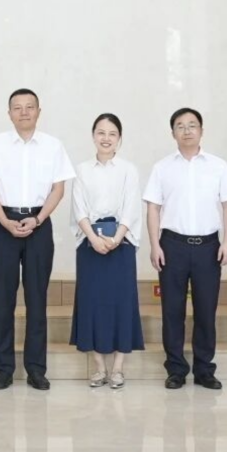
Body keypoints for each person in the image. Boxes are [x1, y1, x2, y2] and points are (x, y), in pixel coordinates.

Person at [0, 89, 75, 391]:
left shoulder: (53, 146)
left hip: (38, 224)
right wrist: (4, 220)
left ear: (38, 111)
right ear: (9, 113)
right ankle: (3, 369)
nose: (23, 112)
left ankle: (36, 369)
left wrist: (39, 218)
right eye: (17, 108)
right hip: (3, 223)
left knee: (37, 300)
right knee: (3, 300)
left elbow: (58, 189)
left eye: (29, 107)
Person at [144, 107, 227, 391]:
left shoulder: (218, 166)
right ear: (173, 132)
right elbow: (153, 208)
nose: (187, 130)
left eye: (192, 125)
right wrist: (155, 245)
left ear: (201, 130)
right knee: (172, 311)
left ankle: (204, 370)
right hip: (172, 245)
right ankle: (175, 369)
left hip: (208, 247)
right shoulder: (162, 168)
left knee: (206, 311)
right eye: (180, 126)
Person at [69, 113, 145, 390]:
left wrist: (116, 238)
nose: (106, 138)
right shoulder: (81, 170)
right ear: (93, 136)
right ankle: (99, 368)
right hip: (90, 245)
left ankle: (118, 369)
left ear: (119, 139)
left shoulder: (128, 170)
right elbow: (78, 208)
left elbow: (131, 207)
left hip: (120, 245)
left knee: (122, 303)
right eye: (101, 132)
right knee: (92, 303)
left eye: (112, 133)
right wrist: (93, 238)